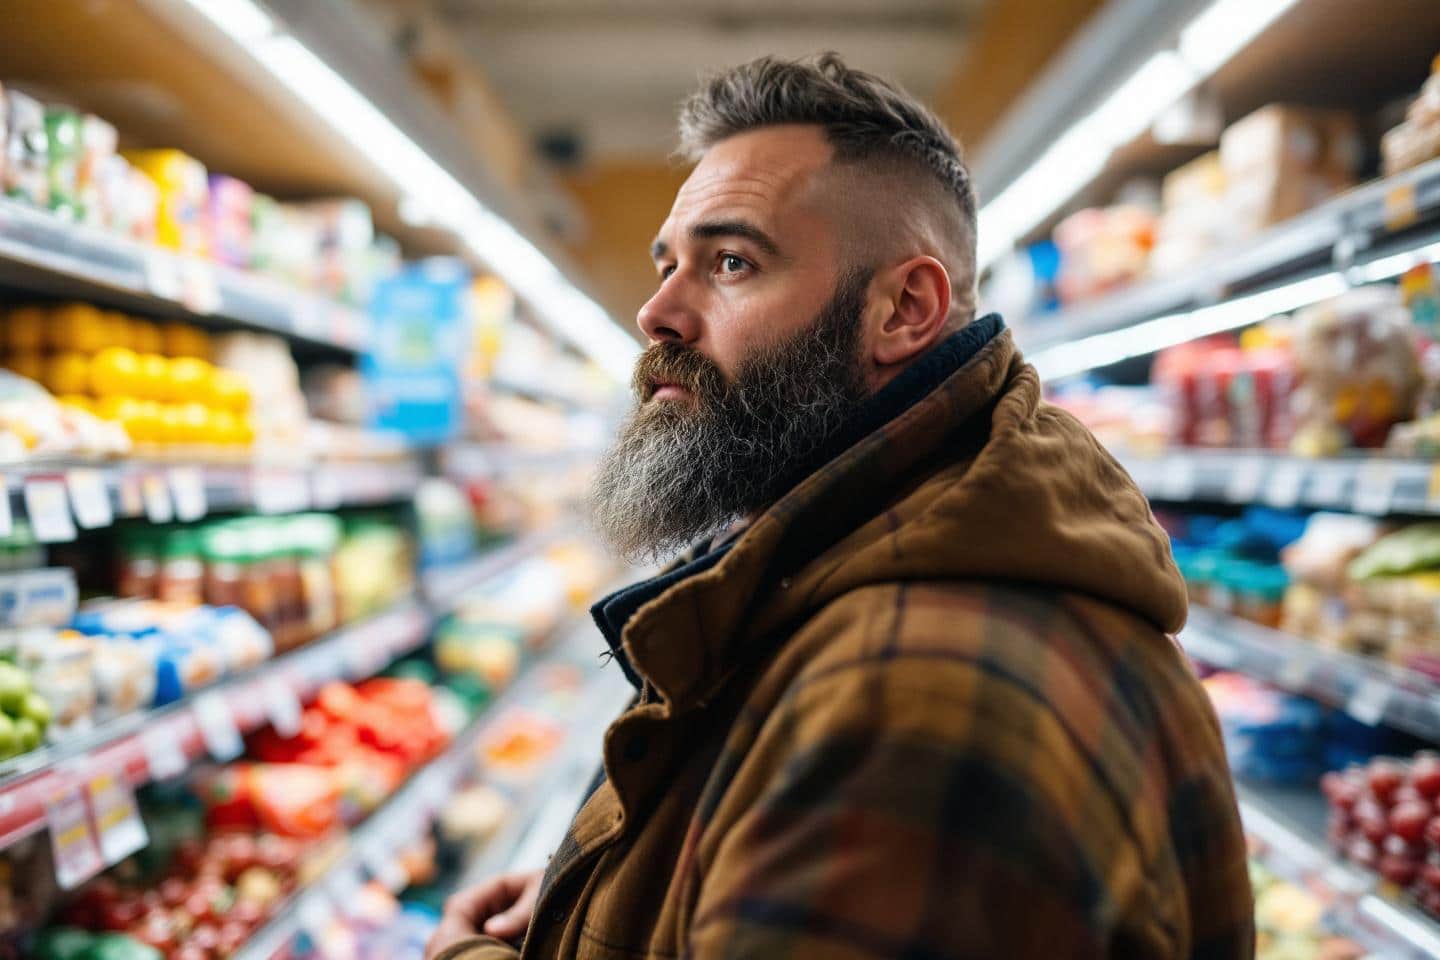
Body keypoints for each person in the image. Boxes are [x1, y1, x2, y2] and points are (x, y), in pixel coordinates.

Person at [426, 53, 1253, 960]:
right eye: (669, 263)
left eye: (731, 262)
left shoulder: (909, 711)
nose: (656, 312)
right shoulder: (844, 569)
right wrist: (596, 900)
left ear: (904, 309)